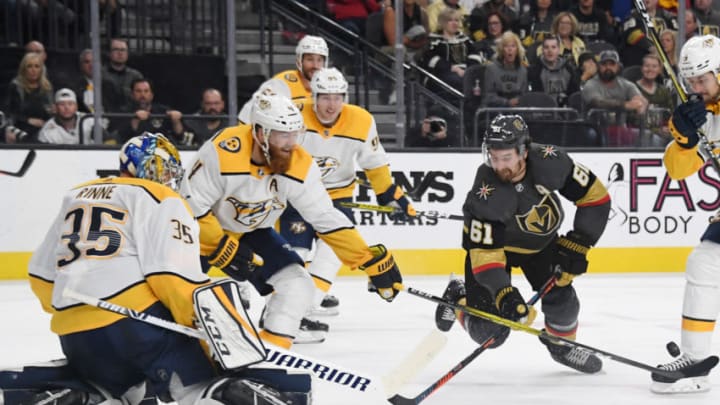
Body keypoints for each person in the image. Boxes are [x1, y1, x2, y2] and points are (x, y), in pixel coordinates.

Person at [27, 132, 305, 404]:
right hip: (136, 328)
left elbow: (40, 275)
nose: (167, 177)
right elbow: (173, 278)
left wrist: (80, 312)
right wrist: (212, 338)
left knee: (123, 390)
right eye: (161, 168)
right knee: (198, 385)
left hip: (74, 334)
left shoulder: (77, 196)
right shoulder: (160, 196)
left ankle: (84, 396)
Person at [180, 93, 404, 349]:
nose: (292, 143)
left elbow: (324, 217)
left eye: (295, 134)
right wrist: (220, 247)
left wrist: (367, 259)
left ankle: (272, 355)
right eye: (283, 135)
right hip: (197, 234)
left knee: (298, 286)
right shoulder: (223, 151)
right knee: (178, 299)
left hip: (252, 232)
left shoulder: (299, 163)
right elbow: (189, 208)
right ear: (261, 133)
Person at [434, 113, 611, 374]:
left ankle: (560, 346)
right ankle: (456, 298)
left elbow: (596, 198)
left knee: (564, 304)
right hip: (497, 253)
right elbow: (484, 254)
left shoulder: (552, 161)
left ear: (524, 151)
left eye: (506, 157)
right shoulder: (485, 191)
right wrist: (504, 293)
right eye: (494, 157)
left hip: (540, 245)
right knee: (489, 333)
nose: (499, 166)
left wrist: (580, 242)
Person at [279, 68, 415, 325]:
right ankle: (281, 311)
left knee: (330, 254)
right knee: (292, 258)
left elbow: (373, 161)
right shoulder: (294, 116)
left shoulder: (360, 120)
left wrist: (388, 193)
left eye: (337, 97)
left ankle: (301, 314)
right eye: (325, 97)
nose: (331, 105)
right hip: (297, 198)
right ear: (314, 96)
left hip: (338, 198)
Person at [654, 34, 720, 394]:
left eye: (703, 79)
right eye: (691, 81)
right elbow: (677, 171)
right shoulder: (702, 117)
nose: (696, 87)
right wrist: (684, 140)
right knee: (705, 262)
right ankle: (695, 360)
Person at [238, 35, 329, 123]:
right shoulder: (280, 84)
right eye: (310, 59)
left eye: (319, 60)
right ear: (299, 61)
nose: (315, 65)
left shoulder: (331, 86)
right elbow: (247, 116)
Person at [581, 49, 648, 146]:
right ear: (598, 66)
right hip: (594, 129)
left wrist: (640, 105)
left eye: (612, 64)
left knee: (651, 137)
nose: (608, 67)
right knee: (593, 136)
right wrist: (625, 105)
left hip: (621, 129)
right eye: (604, 64)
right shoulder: (590, 85)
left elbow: (640, 100)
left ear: (618, 67)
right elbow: (598, 103)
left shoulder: (626, 84)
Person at [422, 7, 484, 93]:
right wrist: (453, 68)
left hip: (466, 72)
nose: (454, 23)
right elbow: (429, 58)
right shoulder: (434, 40)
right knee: (459, 81)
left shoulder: (464, 39)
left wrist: (468, 70)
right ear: (442, 23)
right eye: (450, 20)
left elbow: (475, 54)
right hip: (441, 75)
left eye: (457, 20)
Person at [115, 78, 186, 145]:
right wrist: (136, 120)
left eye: (146, 91)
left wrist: (176, 121)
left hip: (160, 151)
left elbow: (180, 136)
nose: (142, 95)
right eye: (138, 91)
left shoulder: (162, 111)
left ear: (151, 95)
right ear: (132, 94)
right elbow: (121, 138)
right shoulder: (124, 112)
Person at [4, 52, 53, 143]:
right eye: (29, 66)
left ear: (41, 69)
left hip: (44, 131)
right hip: (21, 130)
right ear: (24, 69)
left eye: (36, 66)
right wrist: (28, 120)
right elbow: (10, 114)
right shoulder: (16, 87)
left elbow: (49, 111)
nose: (33, 70)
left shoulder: (46, 87)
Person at [619, 0, 678, 68]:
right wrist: (652, 48)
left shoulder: (667, 16)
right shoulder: (633, 16)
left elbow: (677, 35)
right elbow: (632, 35)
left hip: (667, 64)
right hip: (639, 64)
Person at [527, 35, 580, 107]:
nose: (550, 51)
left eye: (553, 47)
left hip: (566, 113)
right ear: (542, 50)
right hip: (542, 112)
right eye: (546, 47)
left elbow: (574, 96)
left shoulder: (569, 69)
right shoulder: (534, 70)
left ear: (559, 50)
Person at [481, 31, 528, 108]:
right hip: (495, 110)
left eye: (513, 46)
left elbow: (524, 95)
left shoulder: (523, 70)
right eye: (506, 46)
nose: (510, 49)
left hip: (516, 110)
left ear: (517, 50)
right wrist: (506, 102)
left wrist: (518, 101)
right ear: (502, 50)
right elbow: (488, 97)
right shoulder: (491, 69)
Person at [102, 38, 144, 112]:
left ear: (127, 53)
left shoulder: (136, 75)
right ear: (109, 53)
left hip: (131, 115)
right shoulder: (101, 74)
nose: (120, 53)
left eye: (123, 50)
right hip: (106, 115)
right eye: (116, 49)